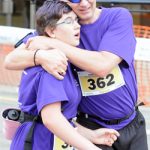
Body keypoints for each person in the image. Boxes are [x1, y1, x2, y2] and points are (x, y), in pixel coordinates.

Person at [4, 0, 148, 150]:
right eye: (74, 0)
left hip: (132, 123)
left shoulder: (117, 17)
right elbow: (10, 60)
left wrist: (53, 44)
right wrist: (40, 56)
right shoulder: (60, 30)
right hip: (89, 127)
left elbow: (102, 66)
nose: (84, 3)